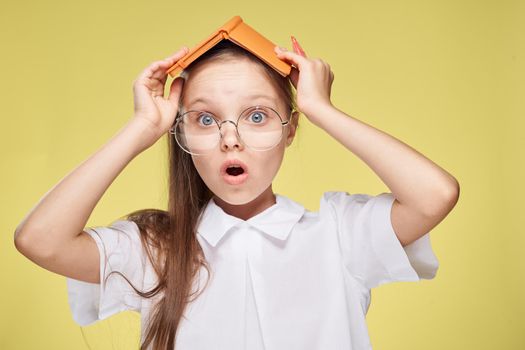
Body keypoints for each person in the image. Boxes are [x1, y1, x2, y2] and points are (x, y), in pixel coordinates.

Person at [14, 37, 459, 350]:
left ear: (291, 129)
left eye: (258, 116)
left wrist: (323, 110)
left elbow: (435, 195)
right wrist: (140, 129)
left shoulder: (339, 234)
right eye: (206, 119)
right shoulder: (156, 250)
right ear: (181, 132)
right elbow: (40, 240)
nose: (231, 138)